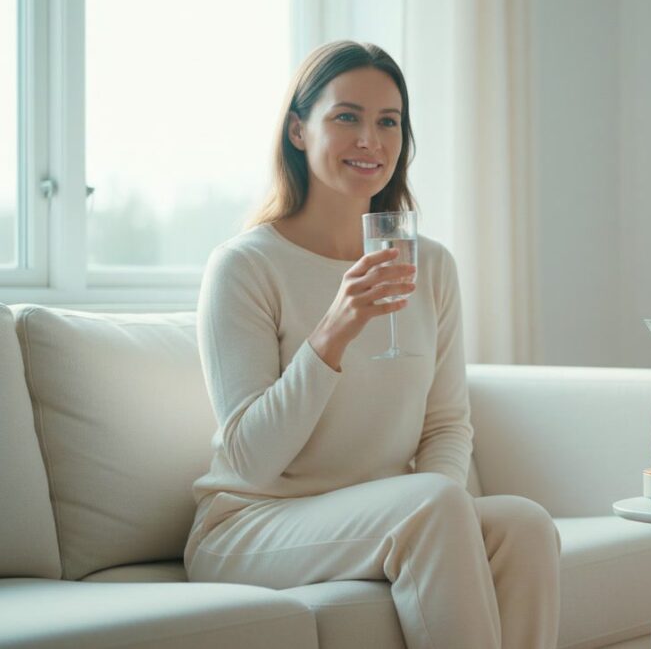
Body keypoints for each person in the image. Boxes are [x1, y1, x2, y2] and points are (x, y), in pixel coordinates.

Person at [183, 40, 560, 649]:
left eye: (389, 121)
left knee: (524, 523)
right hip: (254, 524)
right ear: (299, 131)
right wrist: (334, 328)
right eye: (347, 117)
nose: (371, 139)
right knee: (433, 507)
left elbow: (445, 426)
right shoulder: (245, 267)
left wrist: (446, 505)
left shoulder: (429, 265)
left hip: (384, 513)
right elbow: (248, 460)